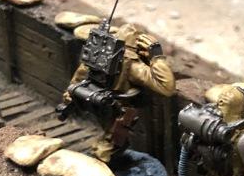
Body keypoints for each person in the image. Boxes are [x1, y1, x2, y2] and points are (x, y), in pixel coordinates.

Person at [61, 23, 176, 164]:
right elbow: (167, 87)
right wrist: (157, 57)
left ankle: (106, 155)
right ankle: (105, 158)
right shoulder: (132, 65)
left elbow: (81, 75)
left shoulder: (99, 54)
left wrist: (70, 93)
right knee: (111, 142)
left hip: (100, 101)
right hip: (117, 107)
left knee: (111, 138)